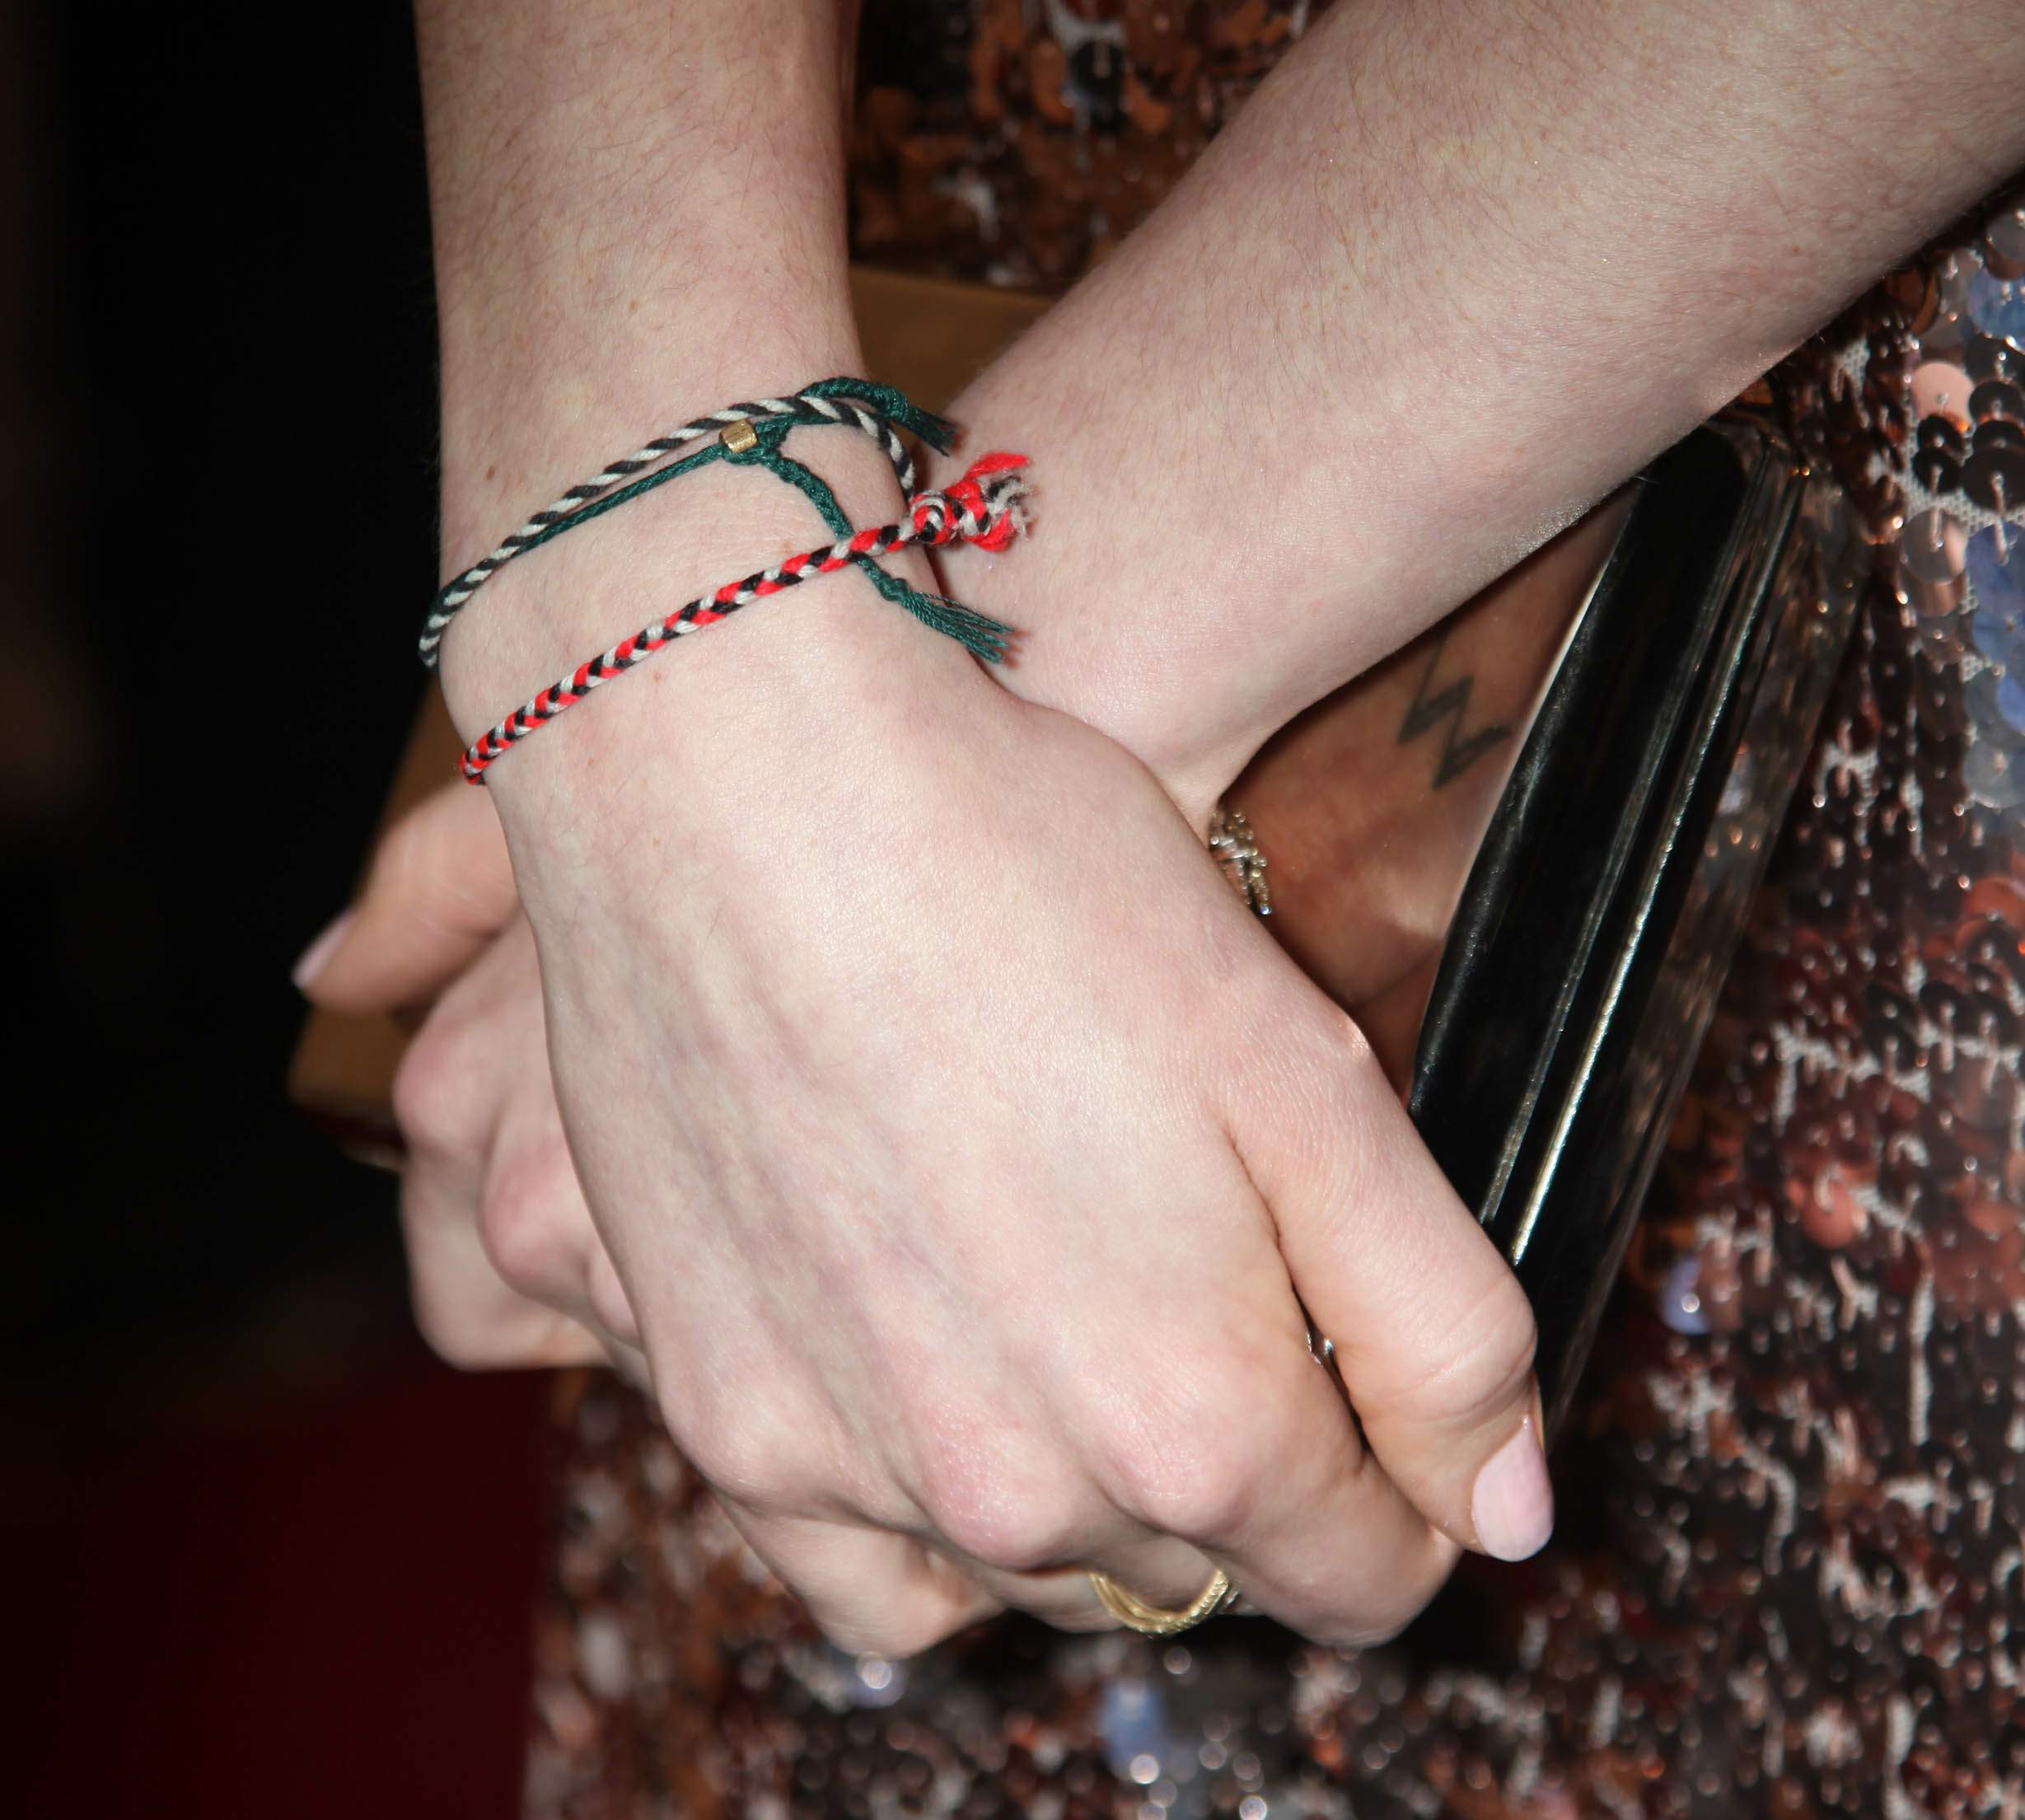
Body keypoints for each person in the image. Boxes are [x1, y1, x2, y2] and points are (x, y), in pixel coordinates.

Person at [299, 0, 2025, 1801]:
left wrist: (799, 701)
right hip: (854, 594)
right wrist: (678, 691)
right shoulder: (775, 774)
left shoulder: (831, 760)